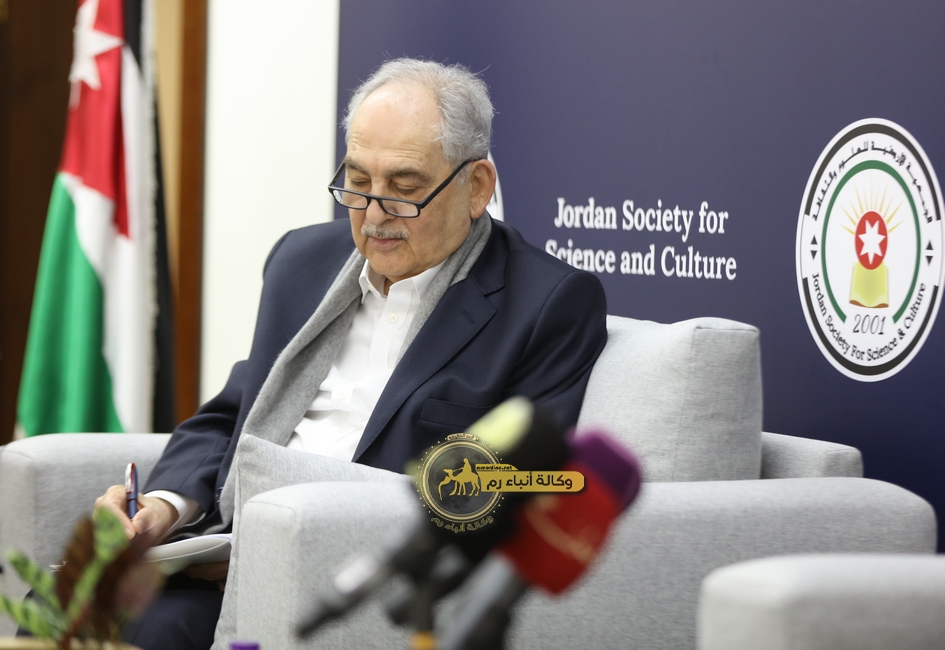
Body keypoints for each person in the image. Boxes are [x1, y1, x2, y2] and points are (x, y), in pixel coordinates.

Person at [94, 58, 608, 649]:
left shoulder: (546, 304)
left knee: (144, 633)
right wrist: (162, 507)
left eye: (405, 189)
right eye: (358, 182)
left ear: (476, 188)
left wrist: (287, 539)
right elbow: (232, 416)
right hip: (222, 556)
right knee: (68, 605)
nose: (374, 214)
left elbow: (509, 489)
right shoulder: (302, 262)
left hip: (350, 584)